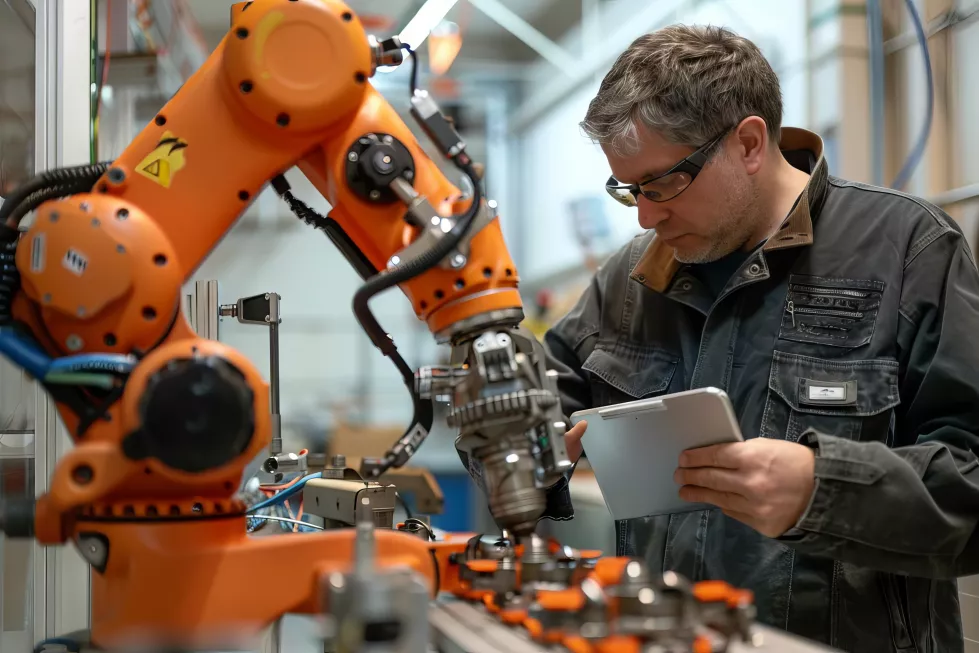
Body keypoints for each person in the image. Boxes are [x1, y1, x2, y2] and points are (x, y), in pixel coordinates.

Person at [541, 24, 979, 652]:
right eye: (629, 190)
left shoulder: (909, 251)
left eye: (661, 185)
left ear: (748, 143)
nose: (645, 215)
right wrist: (525, 446)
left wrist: (825, 488)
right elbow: (538, 400)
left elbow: (971, 481)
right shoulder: (631, 279)